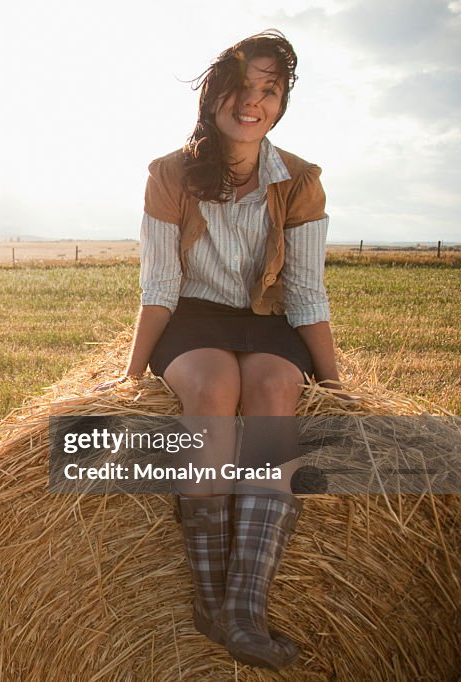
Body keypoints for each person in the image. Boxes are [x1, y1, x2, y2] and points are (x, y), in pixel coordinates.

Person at [123, 30, 341, 670]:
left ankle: (244, 608)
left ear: (280, 105)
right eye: (243, 87)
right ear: (215, 94)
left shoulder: (299, 181)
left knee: (275, 390)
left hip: (265, 318)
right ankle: (208, 596)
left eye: (269, 90)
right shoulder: (169, 174)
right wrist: (130, 374)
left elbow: (305, 293)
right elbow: (161, 286)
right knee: (213, 389)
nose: (254, 102)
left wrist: (333, 383)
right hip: (192, 318)